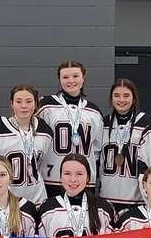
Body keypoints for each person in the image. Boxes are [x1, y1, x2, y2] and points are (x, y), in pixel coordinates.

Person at [0, 85, 55, 205]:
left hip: (36, 199)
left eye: (29, 101)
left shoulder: (45, 131)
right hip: (6, 201)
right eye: (19, 101)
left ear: (35, 104)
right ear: (12, 104)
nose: (24, 106)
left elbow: (44, 165)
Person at [36, 61, 105, 198]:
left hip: (84, 180)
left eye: (75, 76)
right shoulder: (45, 106)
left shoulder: (94, 111)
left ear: (83, 78)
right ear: (59, 79)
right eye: (65, 77)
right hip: (53, 178)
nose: (71, 81)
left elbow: (96, 149)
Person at [98, 79, 151, 209]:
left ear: (134, 98)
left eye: (126, 95)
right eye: (116, 95)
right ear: (111, 98)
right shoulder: (103, 123)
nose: (121, 100)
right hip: (107, 199)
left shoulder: (147, 123)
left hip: (136, 201)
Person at [36, 154, 116, 237]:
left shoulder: (103, 208)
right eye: (67, 174)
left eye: (79, 174)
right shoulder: (47, 208)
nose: (73, 179)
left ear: (88, 178)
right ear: (60, 177)